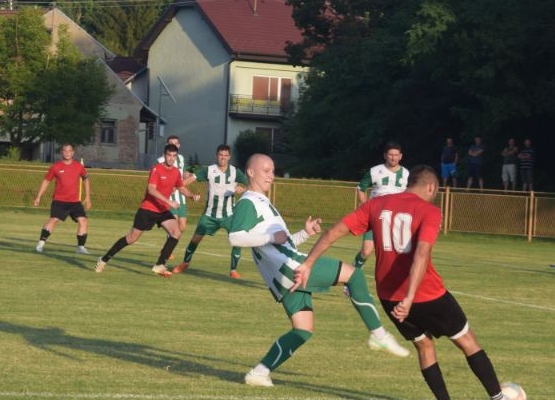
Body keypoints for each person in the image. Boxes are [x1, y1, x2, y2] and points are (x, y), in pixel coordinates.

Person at [294, 164, 530, 400]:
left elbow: (332, 232)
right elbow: (421, 253)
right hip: (427, 294)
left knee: (424, 346)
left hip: (389, 297)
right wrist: (409, 297)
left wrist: (307, 264)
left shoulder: (376, 205)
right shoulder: (429, 210)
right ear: (431, 187)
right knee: (467, 341)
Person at [226, 153, 409, 387]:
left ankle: (259, 373)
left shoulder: (261, 201)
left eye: (272, 171)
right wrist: (271, 236)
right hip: (293, 268)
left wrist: (305, 233)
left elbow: (282, 244)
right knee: (354, 275)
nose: (271, 176)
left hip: (284, 274)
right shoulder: (249, 201)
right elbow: (235, 237)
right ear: (251, 172)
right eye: (266, 171)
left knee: (303, 330)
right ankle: (379, 335)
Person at [94, 143, 197, 277]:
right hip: (148, 209)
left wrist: (191, 195)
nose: (171, 158)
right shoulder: (156, 169)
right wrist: (169, 201)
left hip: (162, 210)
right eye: (169, 155)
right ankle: (103, 259)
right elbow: (151, 189)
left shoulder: (176, 172)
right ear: (164, 155)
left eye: (174, 156)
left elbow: (181, 187)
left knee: (176, 232)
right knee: (131, 238)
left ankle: (160, 265)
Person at [172, 144, 248, 278]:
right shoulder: (209, 170)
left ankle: (233, 270)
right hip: (210, 215)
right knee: (195, 239)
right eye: (220, 155)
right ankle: (185, 263)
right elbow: (191, 179)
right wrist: (176, 186)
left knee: (237, 240)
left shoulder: (235, 172)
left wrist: (243, 189)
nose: (223, 158)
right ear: (216, 156)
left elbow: (252, 185)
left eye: (225, 155)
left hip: (229, 215)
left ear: (229, 157)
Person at [353, 142, 409, 269]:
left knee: (397, 253)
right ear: (385, 155)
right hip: (375, 216)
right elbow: (361, 188)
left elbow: (411, 195)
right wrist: (366, 206)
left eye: (396, 155)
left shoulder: (407, 174)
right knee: (366, 251)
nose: (393, 158)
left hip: (396, 218)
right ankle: (354, 271)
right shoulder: (375, 171)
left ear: (401, 156)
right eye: (390, 155)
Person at [33, 143, 92, 254]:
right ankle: (40, 244)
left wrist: (88, 197)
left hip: (75, 202)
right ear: (62, 152)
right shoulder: (56, 166)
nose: (67, 153)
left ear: (73, 152)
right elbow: (46, 181)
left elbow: (86, 180)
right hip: (59, 201)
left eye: (69, 151)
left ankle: (80, 247)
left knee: (83, 220)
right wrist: (38, 196)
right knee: (54, 220)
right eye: (65, 150)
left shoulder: (79, 166)